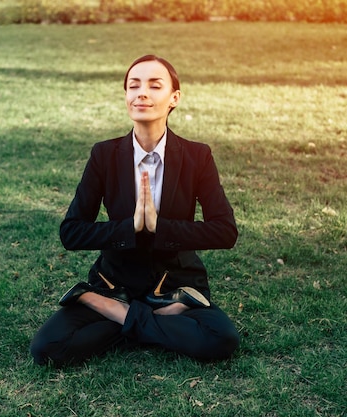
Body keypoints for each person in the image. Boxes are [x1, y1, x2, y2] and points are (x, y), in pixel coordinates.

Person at [30, 55, 240, 366]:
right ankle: (146, 316)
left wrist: (159, 227)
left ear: (174, 99)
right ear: (126, 96)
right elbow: (71, 231)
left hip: (176, 286)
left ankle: (116, 314)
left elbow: (225, 231)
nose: (141, 93)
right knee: (48, 347)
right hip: (116, 286)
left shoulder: (198, 156)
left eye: (155, 86)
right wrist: (131, 228)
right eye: (133, 85)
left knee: (222, 339)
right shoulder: (105, 155)